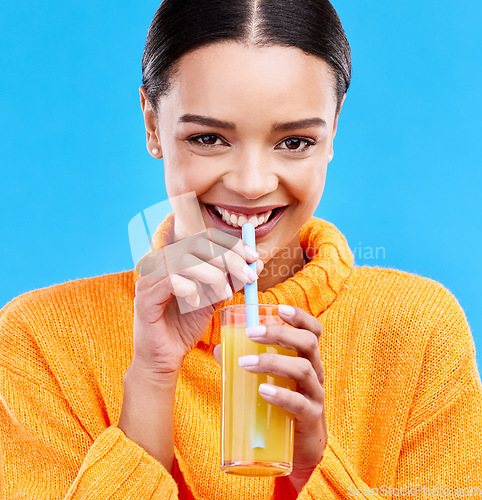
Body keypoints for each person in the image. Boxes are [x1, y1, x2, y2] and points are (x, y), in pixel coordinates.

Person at [1, 0, 481, 498]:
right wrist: (151, 378)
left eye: (294, 142)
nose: (252, 185)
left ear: (333, 128)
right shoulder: (41, 341)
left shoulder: (418, 332)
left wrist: (312, 471)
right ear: (151, 124)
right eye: (208, 138)